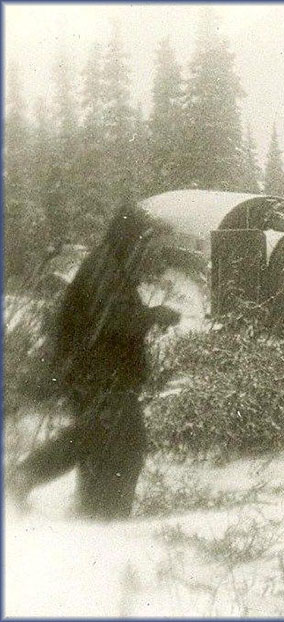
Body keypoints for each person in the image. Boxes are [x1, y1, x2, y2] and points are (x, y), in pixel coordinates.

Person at [7, 203, 181, 520]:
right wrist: (155, 315)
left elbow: (113, 316)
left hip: (95, 371)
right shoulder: (106, 269)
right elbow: (117, 318)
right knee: (120, 442)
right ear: (130, 238)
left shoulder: (110, 264)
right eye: (143, 240)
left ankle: (93, 514)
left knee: (97, 442)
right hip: (97, 374)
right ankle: (100, 516)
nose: (146, 249)